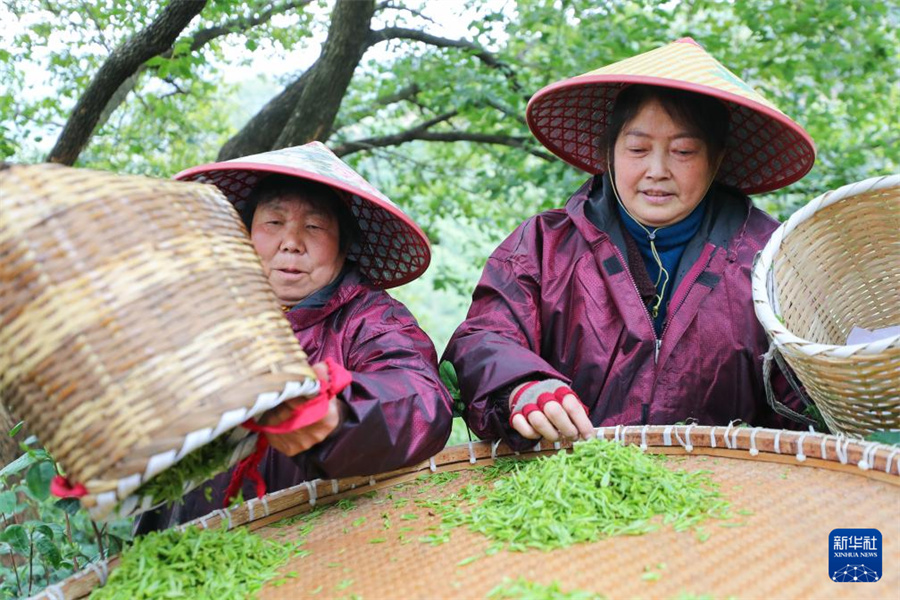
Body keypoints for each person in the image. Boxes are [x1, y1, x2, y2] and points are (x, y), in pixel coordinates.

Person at [443, 38, 817, 450]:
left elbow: (807, 397)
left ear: (716, 159)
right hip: (569, 487)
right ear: (610, 153)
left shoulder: (772, 260)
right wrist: (522, 385)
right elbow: (483, 338)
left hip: (728, 499)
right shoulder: (544, 246)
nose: (657, 170)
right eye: (638, 149)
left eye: (684, 151)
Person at [137, 142, 452, 531]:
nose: (291, 242)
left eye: (314, 227)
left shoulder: (372, 319)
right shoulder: (203, 314)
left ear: (345, 244)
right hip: (190, 538)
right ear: (246, 233)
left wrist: (338, 414)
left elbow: (419, 398)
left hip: (318, 543)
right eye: (273, 222)